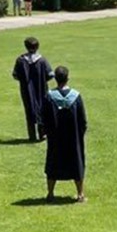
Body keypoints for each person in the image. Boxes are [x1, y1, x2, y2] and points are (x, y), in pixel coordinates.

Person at [42, 65, 88, 203]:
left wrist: (47, 133)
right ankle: (80, 194)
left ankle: (50, 194)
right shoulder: (76, 96)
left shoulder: (49, 97)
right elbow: (83, 120)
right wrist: (80, 134)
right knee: (76, 163)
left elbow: (45, 119)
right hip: (73, 139)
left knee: (53, 163)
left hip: (56, 139)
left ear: (55, 79)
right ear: (68, 78)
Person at [10, 38, 52, 143]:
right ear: (37, 47)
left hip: (27, 91)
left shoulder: (20, 60)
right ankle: (42, 134)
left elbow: (15, 75)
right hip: (41, 89)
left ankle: (32, 135)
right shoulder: (42, 60)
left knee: (29, 111)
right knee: (42, 110)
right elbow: (50, 75)